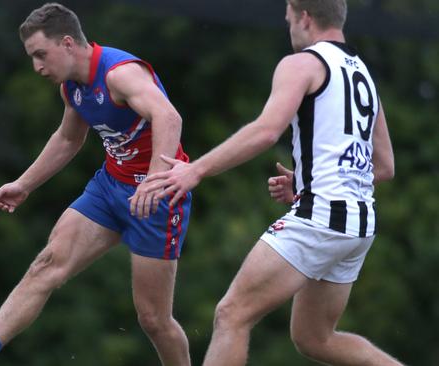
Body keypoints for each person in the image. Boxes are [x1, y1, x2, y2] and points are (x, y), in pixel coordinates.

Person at [0, 3, 193, 365]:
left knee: (154, 320)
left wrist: (157, 182)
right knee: (46, 264)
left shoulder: (119, 74)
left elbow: (168, 115)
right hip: (111, 187)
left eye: (41, 55)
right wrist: (24, 184)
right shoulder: (73, 87)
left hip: (158, 197)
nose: (37, 67)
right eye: (32, 58)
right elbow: (68, 140)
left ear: (67, 43)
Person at [142, 0, 403, 365]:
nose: (289, 28)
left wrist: (195, 170)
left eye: (289, 19)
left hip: (322, 217)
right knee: (315, 339)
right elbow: (385, 165)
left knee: (232, 314)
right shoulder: (363, 75)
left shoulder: (302, 64)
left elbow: (266, 132)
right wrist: (306, 178)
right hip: (358, 225)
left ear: (305, 17)